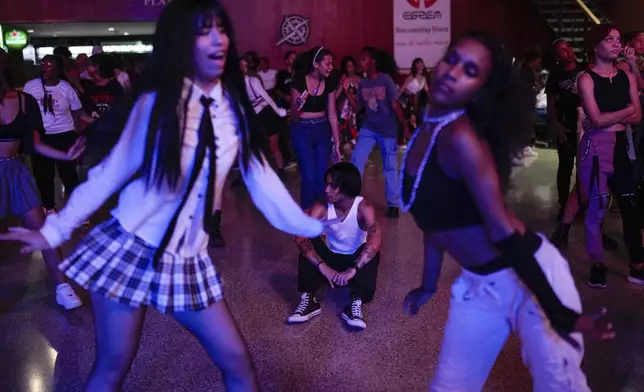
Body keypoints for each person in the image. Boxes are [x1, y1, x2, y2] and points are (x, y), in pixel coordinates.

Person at [0, 1, 325, 391]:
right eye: (203, 31)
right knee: (114, 364)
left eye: (221, 29)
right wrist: (53, 232)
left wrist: (313, 224)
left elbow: (264, 183)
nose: (218, 39)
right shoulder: (156, 105)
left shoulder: (233, 110)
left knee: (237, 361)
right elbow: (106, 175)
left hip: (187, 259)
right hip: (128, 248)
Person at [400, 31, 613, 391]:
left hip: (529, 276)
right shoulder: (427, 130)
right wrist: (428, 285)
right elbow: (434, 224)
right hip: (478, 284)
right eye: (452, 59)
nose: (452, 72)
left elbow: (502, 232)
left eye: (470, 70)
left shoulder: (461, 138)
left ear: (479, 90)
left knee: (561, 386)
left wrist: (557, 312)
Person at [0, 49, 84, 309]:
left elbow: (35, 143)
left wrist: (64, 154)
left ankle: (62, 286)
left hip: (14, 171)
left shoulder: (26, 101)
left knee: (43, 228)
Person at [576, 24, 644, 288]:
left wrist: (613, 117)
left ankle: (637, 264)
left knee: (631, 206)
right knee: (596, 210)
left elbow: (638, 117)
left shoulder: (626, 76)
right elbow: (596, 119)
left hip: (620, 148)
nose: (616, 43)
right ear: (595, 46)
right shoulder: (586, 78)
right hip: (595, 148)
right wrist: (625, 111)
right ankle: (598, 263)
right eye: (609, 39)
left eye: (617, 39)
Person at [289, 162, 381, 330]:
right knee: (308, 244)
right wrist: (325, 269)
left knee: (372, 250)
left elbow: (375, 239)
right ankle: (309, 301)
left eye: (332, 186)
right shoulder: (322, 207)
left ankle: (355, 303)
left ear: (346, 187)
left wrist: (354, 269)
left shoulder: (363, 207)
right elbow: (299, 237)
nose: (326, 190)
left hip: (354, 263)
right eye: (327, 185)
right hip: (330, 259)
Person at [23, 54, 92, 214]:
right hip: (41, 136)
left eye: (49, 64)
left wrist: (84, 131)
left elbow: (78, 113)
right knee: (42, 175)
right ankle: (48, 207)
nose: (44, 67)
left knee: (69, 175)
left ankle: (77, 210)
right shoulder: (30, 86)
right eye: (42, 64)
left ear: (57, 69)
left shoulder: (66, 88)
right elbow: (24, 111)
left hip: (64, 135)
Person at [346, 47, 408, 218]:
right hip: (369, 128)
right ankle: (350, 201)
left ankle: (393, 204)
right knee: (356, 160)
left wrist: (405, 126)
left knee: (389, 167)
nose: (361, 62)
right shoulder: (363, 83)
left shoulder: (385, 79)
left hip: (387, 129)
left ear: (373, 61)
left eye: (364, 58)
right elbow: (359, 108)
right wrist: (346, 91)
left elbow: (395, 104)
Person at [291, 47, 341, 210]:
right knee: (309, 177)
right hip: (301, 130)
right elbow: (294, 116)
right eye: (327, 64)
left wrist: (337, 143)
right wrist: (297, 105)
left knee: (322, 176)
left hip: (322, 130)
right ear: (315, 64)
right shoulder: (298, 81)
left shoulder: (330, 81)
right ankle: (306, 217)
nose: (331, 67)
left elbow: (332, 115)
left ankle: (321, 216)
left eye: (331, 64)